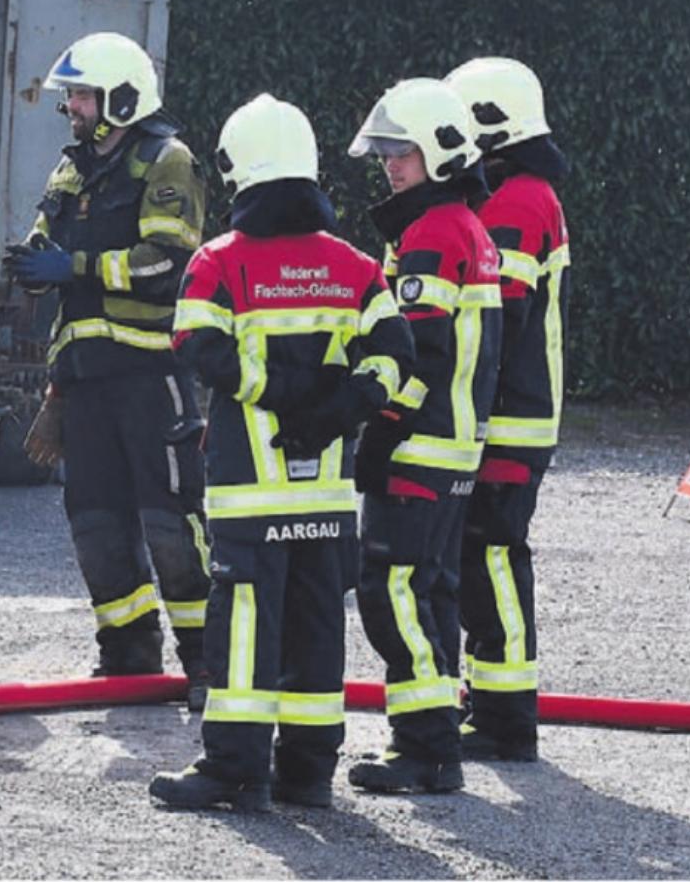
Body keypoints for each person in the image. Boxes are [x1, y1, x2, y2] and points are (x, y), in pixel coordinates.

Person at [148, 95, 414, 812]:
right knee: (317, 627)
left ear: (240, 170)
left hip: (249, 490)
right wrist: (339, 408)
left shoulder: (219, 261)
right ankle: (307, 773)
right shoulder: (354, 266)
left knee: (243, 625)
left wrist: (276, 393)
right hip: (326, 495)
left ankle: (234, 770)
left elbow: (197, 346)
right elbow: (396, 355)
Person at [3, 32, 211, 700]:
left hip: (151, 374)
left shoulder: (167, 162)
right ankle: (128, 653)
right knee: (95, 524)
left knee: (170, 523)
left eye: (84, 97)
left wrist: (76, 266)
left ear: (122, 98)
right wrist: (31, 265)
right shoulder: (71, 170)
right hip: (85, 377)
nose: (73, 108)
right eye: (72, 97)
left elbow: (166, 265)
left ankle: (208, 661)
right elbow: (47, 242)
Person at [344, 77, 503, 793]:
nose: (390, 165)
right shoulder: (466, 225)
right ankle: (434, 744)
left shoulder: (433, 232)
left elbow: (422, 351)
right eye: (385, 153)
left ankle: (423, 745)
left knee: (391, 591)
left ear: (439, 152)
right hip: (454, 446)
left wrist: (382, 429)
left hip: (420, 445)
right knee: (430, 591)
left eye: (401, 153)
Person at [444, 57, 571, 762]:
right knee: (480, 555)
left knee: (492, 553)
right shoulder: (518, 193)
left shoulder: (520, 201)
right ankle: (489, 700)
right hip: (504, 415)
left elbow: (500, 318)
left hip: (509, 420)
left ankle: (505, 717)